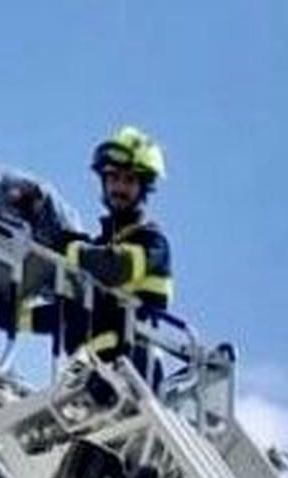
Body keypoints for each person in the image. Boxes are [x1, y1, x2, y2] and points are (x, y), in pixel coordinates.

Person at [20, 126, 174, 402]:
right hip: (96, 373)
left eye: (129, 180)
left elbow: (115, 269)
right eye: (113, 178)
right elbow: (70, 313)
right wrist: (16, 317)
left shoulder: (152, 242)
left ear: (143, 187)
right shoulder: (99, 246)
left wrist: (67, 246)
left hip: (134, 370)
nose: (119, 188)